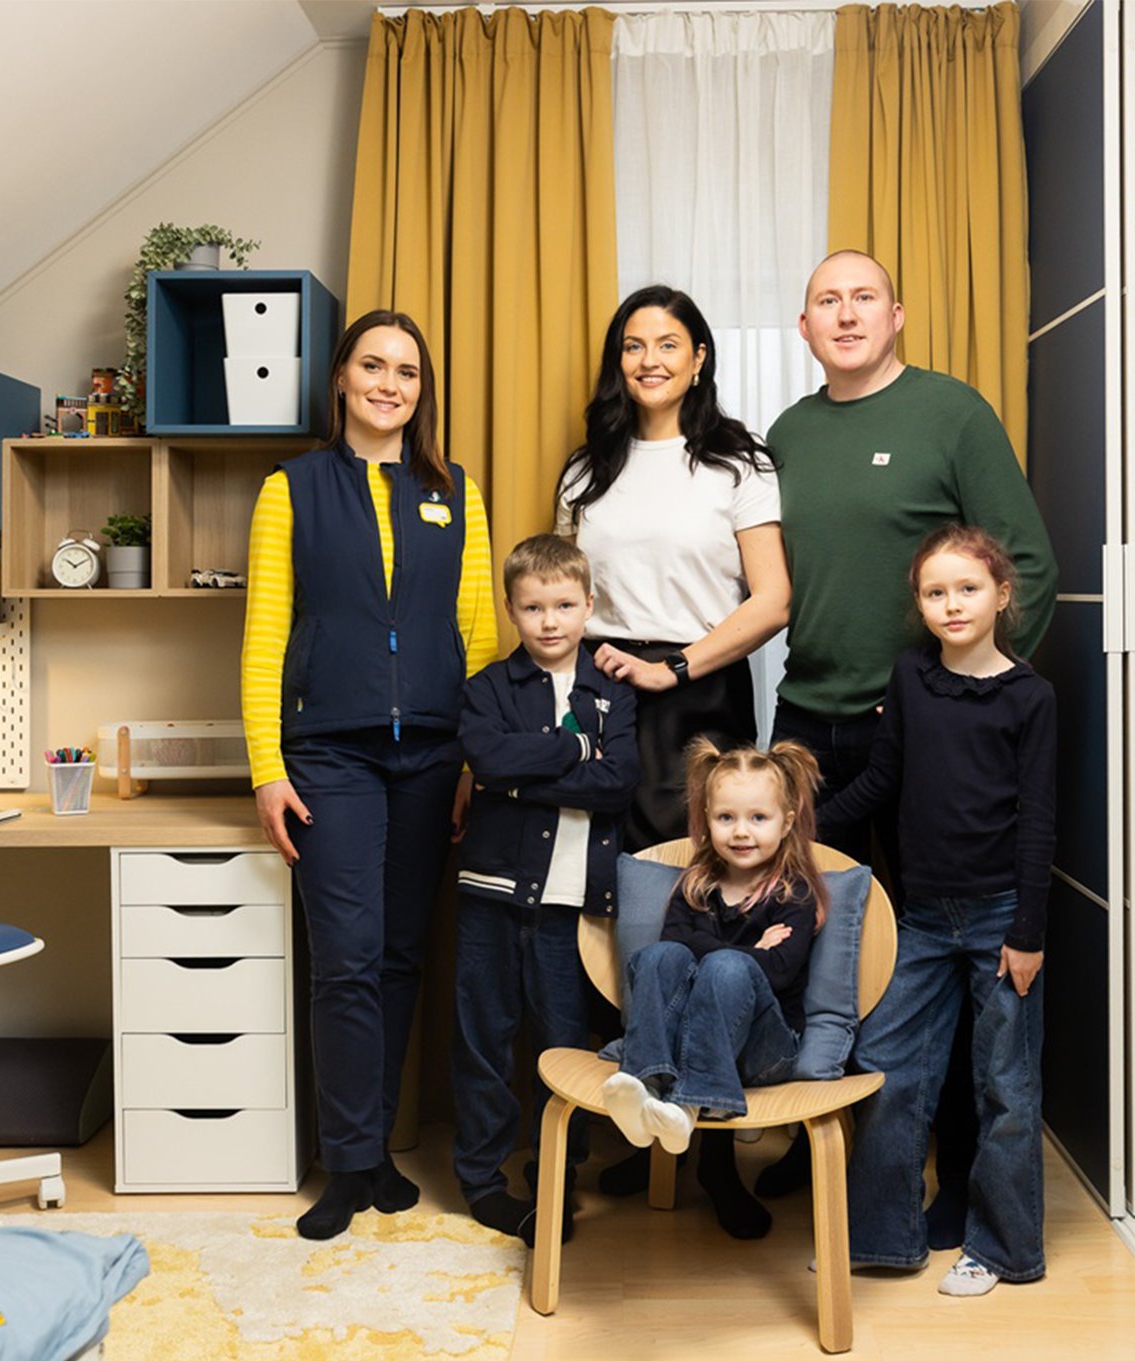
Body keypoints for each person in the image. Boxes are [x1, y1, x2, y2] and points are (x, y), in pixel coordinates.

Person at [759, 250, 1057, 1233]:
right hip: (807, 719)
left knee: (934, 952)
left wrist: (968, 703)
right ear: (802, 328)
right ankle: (825, 1151)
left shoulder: (951, 412)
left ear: (896, 314)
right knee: (809, 944)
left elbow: (1025, 564)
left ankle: (955, 1171)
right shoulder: (786, 434)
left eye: (860, 298)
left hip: (921, 731)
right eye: (823, 302)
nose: (843, 314)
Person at [240, 309, 497, 1241]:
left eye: (409, 372)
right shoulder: (291, 489)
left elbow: (481, 635)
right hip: (330, 754)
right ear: (341, 379)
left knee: (398, 958)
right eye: (374, 366)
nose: (392, 384)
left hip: (432, 753)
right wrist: (268, 768)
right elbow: (266, 633)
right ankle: (346, 1164)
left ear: (422, 391)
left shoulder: (455, 491)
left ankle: (380, 1146)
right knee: (344, 961)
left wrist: (478, 751)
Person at [555, 284, 791, 1236]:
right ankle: (644, 1133)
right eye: (633, 345)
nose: (650, 358)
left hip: (701, 692)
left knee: (717, 912)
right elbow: (565, 596)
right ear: (620, 362)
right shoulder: (586, 470)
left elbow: (771, 599)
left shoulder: (740, 462)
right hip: (606, 690)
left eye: (669, 343)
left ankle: (719, 1148)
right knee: (616, 910)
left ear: (699, 357)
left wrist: (676, 667)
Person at [817, 525, 1055, 1296]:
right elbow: (880, 782)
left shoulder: (1030, 697)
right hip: (921, 916)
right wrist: (798, 827)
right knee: (887, 1068)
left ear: (1002, 595)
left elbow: (1039, 821)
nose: (951, 603)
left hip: (1000, 920)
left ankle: (1002, 1249)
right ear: (918, 603)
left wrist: (1027, 934)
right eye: (934, 591)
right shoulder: (913, 678)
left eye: (967, 588)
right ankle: (884, 1237)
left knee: (1006, 1090)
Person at [453, 535, 639, 1245]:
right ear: (512, 609)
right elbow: (488, 758)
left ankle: (557, 1177)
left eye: (564, 605)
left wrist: (520, 773)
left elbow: (618, 784)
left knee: (564, 1045)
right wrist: (574, 750)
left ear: (589, 605)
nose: (550, 621)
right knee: (484, 1038)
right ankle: (479, 1176)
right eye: (533, 607)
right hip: (492, 895)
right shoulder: (487, 689)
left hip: (574, 904)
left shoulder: (612, 690)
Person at [600, 739, 828, 1157]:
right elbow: (674, 951)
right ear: (707, 820)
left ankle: (689, 1104)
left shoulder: (793, 894)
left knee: (725, 966)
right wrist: (751, 949)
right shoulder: (695, 887)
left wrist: (720, 953)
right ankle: (646, 1087)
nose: (741, 831)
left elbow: (778, 971)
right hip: (684, 1044)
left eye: (758, 817)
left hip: (764, 1052)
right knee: (657, 957)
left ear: (787, 821)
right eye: (726, 817)